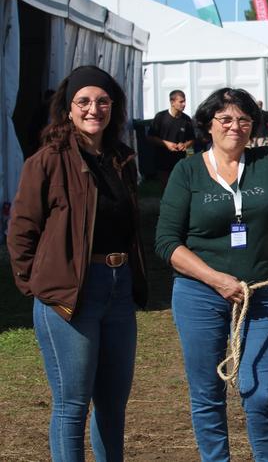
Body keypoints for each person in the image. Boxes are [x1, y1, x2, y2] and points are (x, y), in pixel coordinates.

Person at [154, 88, 268, 462]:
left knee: (262, 393)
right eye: (225, 119)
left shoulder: (267, 161)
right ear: (208, 125)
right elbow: (166, 243)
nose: (235, 127)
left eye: (243, 119)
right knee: (208, 394)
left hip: (259, 295)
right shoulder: (187, 171)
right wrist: (215, 279)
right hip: (199, 295)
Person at [7, 65, 148, 462]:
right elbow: (21, 232)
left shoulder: (122, 158)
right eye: (83, 101)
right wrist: (37, 286)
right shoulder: (47, 160)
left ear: (113, 106)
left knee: (113, 405)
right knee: (72, 405)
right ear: (68, 109)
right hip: (71, 294)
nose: (93, 109)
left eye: (102, 101)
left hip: (118, 291)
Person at [148, 89, 195, 189]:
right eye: (181, 101)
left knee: (180, 188)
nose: (184, 104)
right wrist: (166, 144)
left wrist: (185, 145)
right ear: (172, 102)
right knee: (165, 188)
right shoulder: (160, 117)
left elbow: (192, 139)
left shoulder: (186, 120)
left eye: (184, 101)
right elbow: (150, 137)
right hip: (162, 161)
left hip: (179, 162)